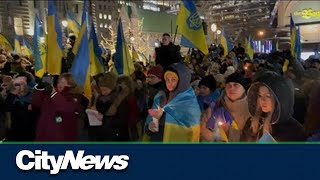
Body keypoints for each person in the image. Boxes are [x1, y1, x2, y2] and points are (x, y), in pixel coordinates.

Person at [242, 71, 306, 141]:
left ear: (280, 98)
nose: (263, 100)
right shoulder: (251, 123)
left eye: (268, 96)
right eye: (260, 96)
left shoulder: (294, 130)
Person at [144, 63, 201, 142]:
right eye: (167, 79)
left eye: (173, 79)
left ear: (182, 80)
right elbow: (150, 126)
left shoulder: (189, 104)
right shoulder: (161, 97)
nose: (169, 83)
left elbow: (193, 133)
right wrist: (150, 127)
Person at [32, 73, 83, 141]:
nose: (60, 84)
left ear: (70, 84)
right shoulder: (51, 93)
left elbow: (66, 107)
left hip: (61, 135)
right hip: (44, 132)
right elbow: (36, 103)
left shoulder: (74, 97)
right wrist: (40, 88)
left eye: (63, 82)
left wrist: (53, 93)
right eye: (59, 82)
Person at [201, 73, 251, 142]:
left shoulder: (251, 110)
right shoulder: (215, 106)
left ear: (244, 89)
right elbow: (204, 129)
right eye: (228, 85)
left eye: (236, 85)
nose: (231, 88)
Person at [90, 72, 131, 141]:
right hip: (102, 135)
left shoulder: (121, 99)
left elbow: (122, 120)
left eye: (105, 89)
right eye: (101, 89)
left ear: (112, 88)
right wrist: (94, 110)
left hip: (117, 136)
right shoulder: (100, 98)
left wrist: (104, 118)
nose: (103, 92)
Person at [2, 76, 35, 141]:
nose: (19, 86)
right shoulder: (11, 96)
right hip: (14, 128)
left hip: (28, 129)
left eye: (21, 84)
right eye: (16, 84)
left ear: (25, 85)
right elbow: (7, 109)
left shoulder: (32, 95)